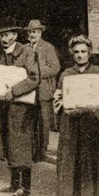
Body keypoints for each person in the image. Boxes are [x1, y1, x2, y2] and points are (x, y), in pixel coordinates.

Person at [53, 36, 99, 196]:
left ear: (89, 53)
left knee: (95, 163)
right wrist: (64, 103)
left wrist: (98, 108)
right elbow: (58, 97)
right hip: (72, 125)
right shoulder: (66, 74)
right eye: (77, 52)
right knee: (74, 162)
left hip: (93, 124)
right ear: (72, 53)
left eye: (83, 52)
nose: (80, 55)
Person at [0, 23, 41, 196]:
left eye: (7, 35)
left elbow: (34, 78)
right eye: (1, 35)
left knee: (21, 143)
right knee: (8, 141)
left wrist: (14, 91)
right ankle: (14, 183)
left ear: (15, 36)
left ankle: (25, 186)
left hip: (22, 106)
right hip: (5, 104)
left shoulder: (27, 53)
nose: (3, 38)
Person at [25, 19, 62, 162]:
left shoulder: (48, 47)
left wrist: (37, 73)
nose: (32, 34)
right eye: (30, 32)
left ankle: (43, 150)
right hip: (28, 90)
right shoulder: (25, 48)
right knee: (31, 121)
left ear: (40, 33)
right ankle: (33, 149)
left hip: (44, 90)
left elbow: (55, 67)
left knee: (44, 121)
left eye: (35, 32)